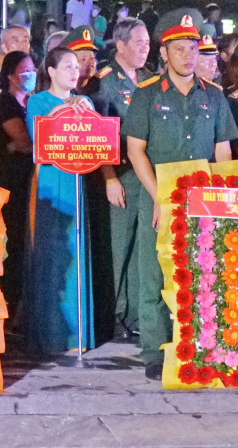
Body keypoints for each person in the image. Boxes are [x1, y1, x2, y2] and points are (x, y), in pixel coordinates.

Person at [123, 8, 237, 380]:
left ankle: (204, 342)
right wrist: (159, 197)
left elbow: (222, 151)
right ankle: (155, 350)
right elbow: (135, 150)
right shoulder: (146, 94)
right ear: (165, 52)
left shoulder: (215, 97)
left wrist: (223, 197)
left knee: (205, 269)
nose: (189, 55)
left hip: (203, 196)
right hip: (158, 195)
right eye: (180, 48)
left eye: (194, 48)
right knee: (153, 273)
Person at [24, 47, 97, 354]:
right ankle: (48, 335)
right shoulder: (38, 101)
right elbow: (36, 138)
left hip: (76, 182)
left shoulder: (86, 102)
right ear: (51, 71)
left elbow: (97, 140)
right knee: (50, 256)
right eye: (66, 66)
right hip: (49, 185)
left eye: (76, 66)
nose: (73, 71)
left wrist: (87, 112)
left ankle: (76, 336)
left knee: (75, 254)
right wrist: (59, 112)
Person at [84, 17, 150, 341]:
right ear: (120, 45)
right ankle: (115, 314)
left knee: (142, 248)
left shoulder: (151, 80)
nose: (144, 49)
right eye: (138, 43)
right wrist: (109, 177)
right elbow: (98, 136)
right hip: (120, 173)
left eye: (148, 43)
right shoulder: (103, 82)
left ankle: (136, 314)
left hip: (146, 175)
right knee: (118, 248)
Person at [0, 50, 36, 315]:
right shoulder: (7, 103)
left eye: (33, 69)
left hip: (29, 177)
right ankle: (11, 302)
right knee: (15, 241)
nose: (30, 75)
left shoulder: (31, 101)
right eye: (24, 70)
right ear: (10, 75)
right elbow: (22, 141)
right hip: (13, 181)